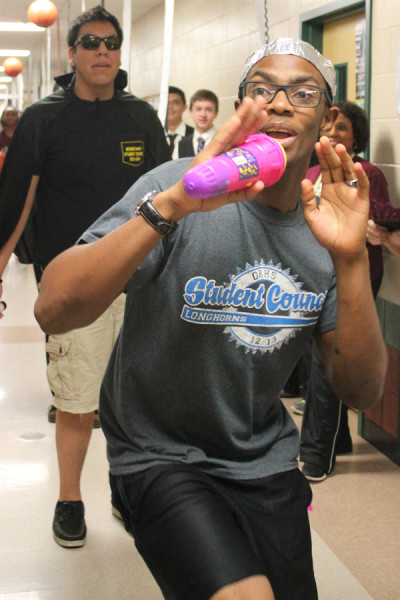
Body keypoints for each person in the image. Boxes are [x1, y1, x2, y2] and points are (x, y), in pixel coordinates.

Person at [34, 38, 387, 600]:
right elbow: (53, 306)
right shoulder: (176, 182)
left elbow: (361, 388)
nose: (279, 103)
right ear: (241, 108)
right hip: (157, 451)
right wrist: (172, 206)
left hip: (263, 457)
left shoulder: (330, 220)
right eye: (262, 89)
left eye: (302, 92)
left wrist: (350, 259)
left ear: (326, 117)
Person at [0, 5, 170, 548]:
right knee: (76, 399)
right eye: (90, 42)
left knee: (133, 400)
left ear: (120, 54)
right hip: (72, 287)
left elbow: (166, 196)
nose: (102, 51)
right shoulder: (43, 119)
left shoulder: (141, 119)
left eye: (111, 43)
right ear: (71, 53)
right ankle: (69, 500)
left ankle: (125, 490)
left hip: (140, 281)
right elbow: (15, 203)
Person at [297, 100, 393, 482]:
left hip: (356, 275)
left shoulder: (364, 170)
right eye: (330, 127)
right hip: (313, 273)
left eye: (344, 129)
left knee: (326, 367)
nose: (334, 133)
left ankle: (316, 456)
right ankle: (339, 442)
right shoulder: (312, 170)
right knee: (317, 360)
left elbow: (383, 213)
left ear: (357, 138)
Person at [178, 89, 219, 157]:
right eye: (198, 109)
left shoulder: (224, 142)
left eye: (209, 110)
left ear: (216, 113)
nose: (203, 115)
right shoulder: (181, 145)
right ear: (190, 112)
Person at [165, 86, 194, 159]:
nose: (170, 106)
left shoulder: (195, 135)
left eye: (176, 102)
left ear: (184, 107)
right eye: (166, 102)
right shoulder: (154, 137)